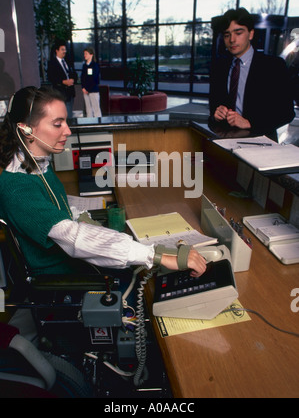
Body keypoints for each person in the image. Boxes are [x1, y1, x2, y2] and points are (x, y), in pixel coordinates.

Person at [0, 86, 207, 278]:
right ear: (26, 130)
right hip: (65, 277)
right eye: (57, 124)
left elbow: (57, 211)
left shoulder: (37, 165)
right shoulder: (17, 187)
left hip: (73, 264)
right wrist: (156, 256)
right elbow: (72, 237)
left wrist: (92, 225)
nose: (68, 131)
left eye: (66, 121)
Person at [209, 8, 295, 141]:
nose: (232, 40)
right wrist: (216, 114)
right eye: (227, 35)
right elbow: (213, 108)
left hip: (260, 144)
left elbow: (287, 113)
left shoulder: (273, 66)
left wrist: (250, 123)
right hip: (225, 142)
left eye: (238, 33)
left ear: (250, 34)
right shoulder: (219, 68)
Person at [47, 41, 78, 119]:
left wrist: (73, 79)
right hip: (60, 93)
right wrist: (63, 82)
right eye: (62, 50)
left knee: (69, 115)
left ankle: (70, 129)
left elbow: (74, 73)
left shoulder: (68, 61)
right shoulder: (52, 63)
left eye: (65, 50)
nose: (65, 51)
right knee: (63, 116)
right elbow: (51, 77)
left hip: (70, 93)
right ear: (57, 51)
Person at [81, 48, 102, 118]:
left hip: (93, 91)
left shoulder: (95, 65)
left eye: (86, 54)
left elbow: (95, 79)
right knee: (88, 110)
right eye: (84, 54)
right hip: (85, 91)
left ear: (91, 55)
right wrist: (83, 88)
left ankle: (99, 125)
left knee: (96, 110)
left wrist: (87, 88)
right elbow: (82, 78)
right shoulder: (84, 66)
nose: (84, 55)